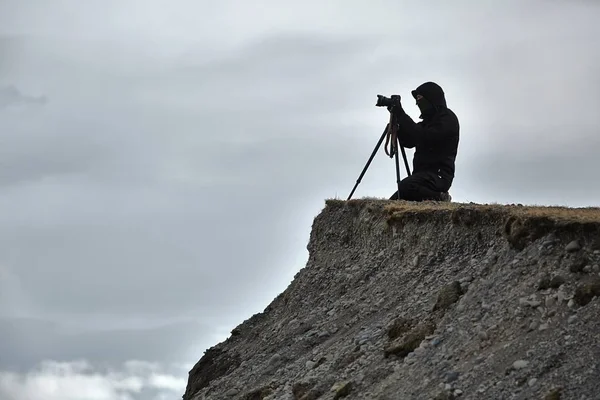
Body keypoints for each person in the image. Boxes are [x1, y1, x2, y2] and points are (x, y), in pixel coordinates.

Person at [388, 81, 459, 202]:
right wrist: (398, 127)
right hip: (421, 177)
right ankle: (434, 196)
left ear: (431, 98)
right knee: (394, 200)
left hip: (438, 176)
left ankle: (440, 197)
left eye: (420, 98)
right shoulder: (427, 122)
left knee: (406, 186)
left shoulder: (447, 119)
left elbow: (423, 136)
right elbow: (410, 141)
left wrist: (401, 114)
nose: (417, 103)